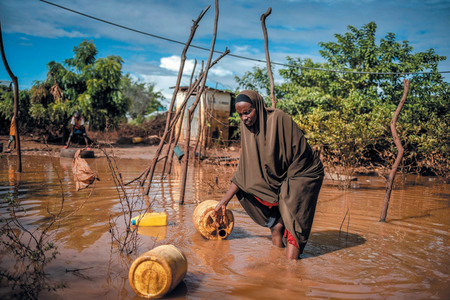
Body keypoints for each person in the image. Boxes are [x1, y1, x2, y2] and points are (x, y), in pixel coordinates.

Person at [213, 90, 324, 260]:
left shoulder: (279, 119)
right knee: (276, 226)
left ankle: (291, 270)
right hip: (283, 175)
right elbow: (243, 172)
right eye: (240, 115)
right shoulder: (248, 129)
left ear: (258, 107)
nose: (244, 118)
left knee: (294, 222)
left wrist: (285, 192)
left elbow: (300, 153)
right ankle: (276, 267)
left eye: (248, 112)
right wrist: (223, 202)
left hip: (304, 171)